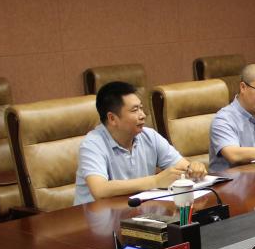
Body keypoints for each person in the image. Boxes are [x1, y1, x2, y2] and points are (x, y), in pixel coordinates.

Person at [74, 81, 206, 205]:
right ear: (112, 118)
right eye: (134, 110)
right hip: (95, 217)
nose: (142, 115)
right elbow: (100, 190)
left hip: (137, 212)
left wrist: (194, 169)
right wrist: (155, 181)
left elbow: (183, 167)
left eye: (141, 108)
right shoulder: (92, 144)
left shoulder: (149, 136)